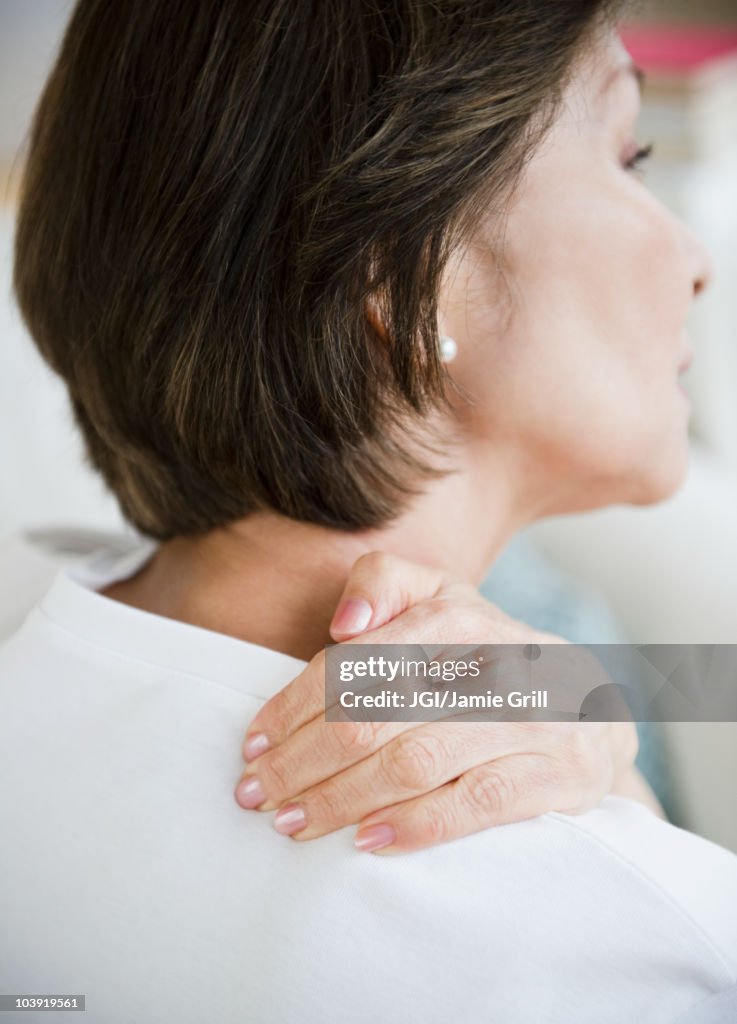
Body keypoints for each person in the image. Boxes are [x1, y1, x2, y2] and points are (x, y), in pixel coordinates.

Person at [1, 1, 736, 1022]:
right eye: (628, 153)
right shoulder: (633, 957)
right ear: (405, 272)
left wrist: (604, 756)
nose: (696, 260)